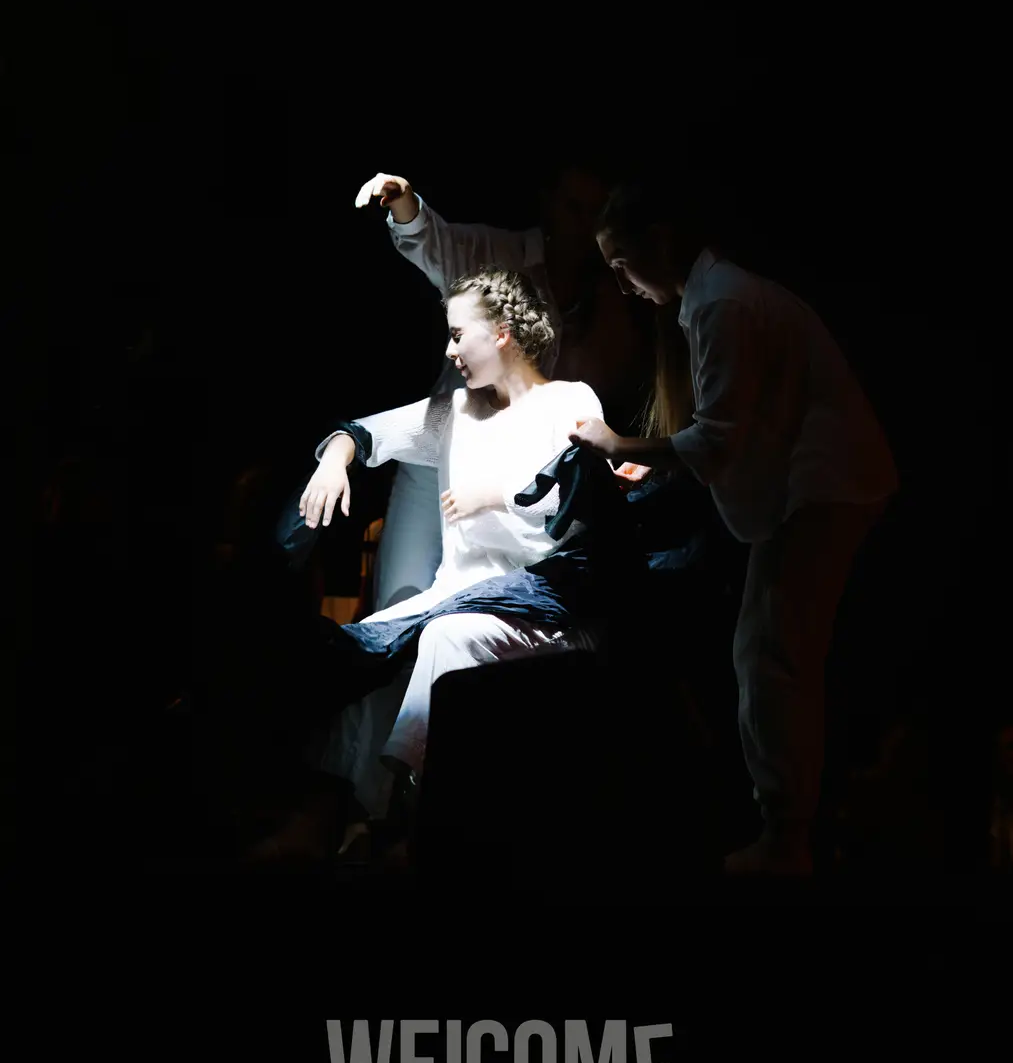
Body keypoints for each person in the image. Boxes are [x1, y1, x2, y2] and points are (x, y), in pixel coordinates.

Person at [568, 178, 899, 877]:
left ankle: (787, 839)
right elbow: (734, 430)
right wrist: (658, 459)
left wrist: (619, 443)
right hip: (816, 490)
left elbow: (718, 439)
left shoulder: (723, 304)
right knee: (770, 656)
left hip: (822, 490)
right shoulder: (716, 300)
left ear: (659, 241)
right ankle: (789, 831)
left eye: (622, 263)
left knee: (771, 658)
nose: (621, 284)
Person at [255, 267, 608, 863]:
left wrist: (498, 495)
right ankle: (354, 816)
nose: (448, 350)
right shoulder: (455, 413)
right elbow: (365, 433)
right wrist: (335, 460)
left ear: (501, 333)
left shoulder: (568, 400)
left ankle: (406, 813)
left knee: (446, 636)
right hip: (458, 592)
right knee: (365, 649)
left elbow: (585, 497)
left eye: (457, 335)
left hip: (541, 600)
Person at [352, 164, 648, 615]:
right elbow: (437, 243)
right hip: (445, 454)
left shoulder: (614, 295)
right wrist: (405, 203)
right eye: (574, 207)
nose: (583, 224)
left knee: (491, 608)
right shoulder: (500, 254)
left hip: (525, 477)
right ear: (550, 204)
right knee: (401, 597)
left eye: (595, 212)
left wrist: (614, 459)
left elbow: (597, 406)